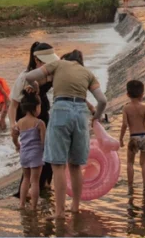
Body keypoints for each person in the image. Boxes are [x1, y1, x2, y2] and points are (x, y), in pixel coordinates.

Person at [25, 49, 108, 223]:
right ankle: (75, 207)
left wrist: (36, 87)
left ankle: (59, 212)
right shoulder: (88, 73)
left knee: (58, 165)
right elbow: (102, 101)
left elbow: (29, 76)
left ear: (66, 59)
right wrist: (97, 117)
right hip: (80, 113)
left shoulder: (58, 64)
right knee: (76, 165)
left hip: (61, 110)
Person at [10, 42, 60, 195]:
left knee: (49, 146)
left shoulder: (51, 71)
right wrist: (13, 125)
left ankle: (45, 183)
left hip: (42, 110)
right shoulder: (24, 77)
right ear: (37, 60)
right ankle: (26, 191)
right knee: (34, 150)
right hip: (26, 113)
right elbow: (13, 105)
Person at [119, 78, 145, 191]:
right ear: (142, 94)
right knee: (143, 163)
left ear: (127, 94)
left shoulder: (126, 108)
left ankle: (130, 186)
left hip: (133, 138)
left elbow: (124, 125)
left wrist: (121, 139)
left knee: (130, 163)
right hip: (144, 136)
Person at [13, 92, 46, 209]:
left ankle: (21, 204)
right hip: (36, 154)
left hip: (24, 154)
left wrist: (17, 145)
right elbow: (43, 141)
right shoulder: (39, 123)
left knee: (26, 179)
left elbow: (14, 135)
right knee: (35, 181)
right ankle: (33, 206)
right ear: (36, 107)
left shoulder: (19, 122)